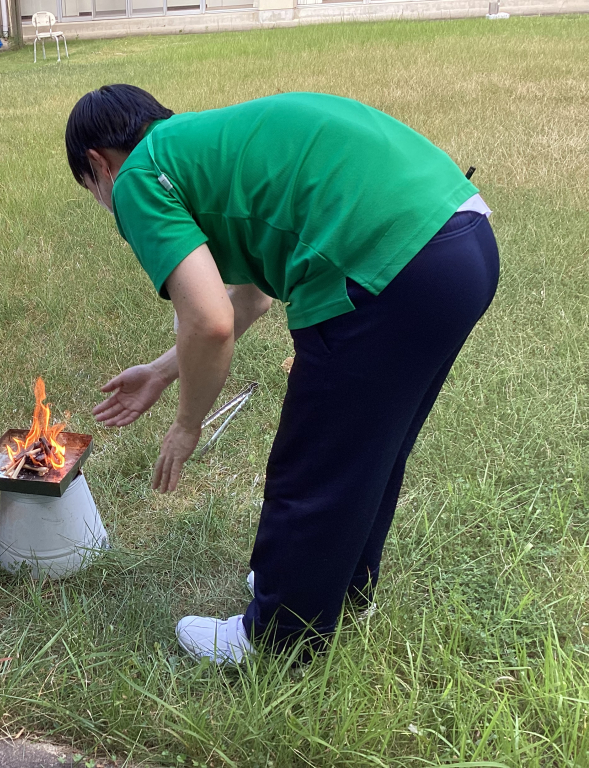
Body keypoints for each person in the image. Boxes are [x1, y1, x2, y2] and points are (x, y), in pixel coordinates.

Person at [65, 85, 499, 664]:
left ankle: (278, 638)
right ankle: (339, 588)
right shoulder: (206, 147)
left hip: (383, 263)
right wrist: (164, 372)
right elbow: (251, 301)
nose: (106, 205)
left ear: (98, 165)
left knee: (313, 463)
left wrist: (187, 424)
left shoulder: (140, 176)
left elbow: (211, 322)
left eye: (94, 192)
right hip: (460, 241)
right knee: (369, 447)